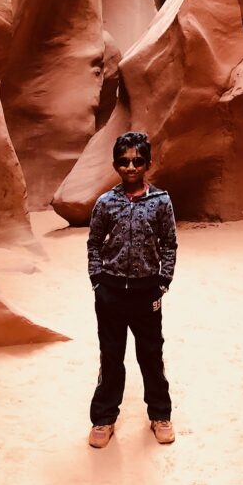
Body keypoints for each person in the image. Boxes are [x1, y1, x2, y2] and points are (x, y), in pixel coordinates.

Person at [86, 131, 177, 448]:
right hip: (110, 291)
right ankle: (103, 419)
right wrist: (97, 280)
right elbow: (94, 243)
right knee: (111, 356)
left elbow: (169, 244)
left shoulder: (160, 202)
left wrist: (163, 281)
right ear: (115, 165)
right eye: (124, 162)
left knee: (151, 355)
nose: (131, 167)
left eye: (138, 161)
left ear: (147, 164)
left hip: (146, 291)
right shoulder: (106, 203)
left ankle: (160, 415)